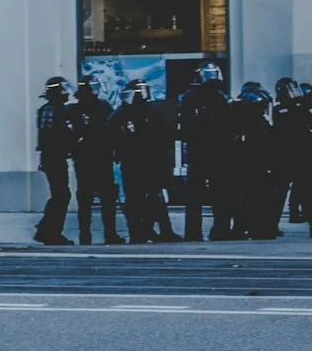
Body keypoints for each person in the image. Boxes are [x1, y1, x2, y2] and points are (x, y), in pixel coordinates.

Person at [111, 80, 175, 243]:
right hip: (135, 161)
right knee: (140, 198)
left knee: (151, 197)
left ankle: (150, 230)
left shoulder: (149, 112)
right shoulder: (125, 113)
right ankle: (141, 231)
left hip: (147, 161)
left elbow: (165, 137)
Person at [179, 62, 232, 243]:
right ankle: (216, 230)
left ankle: (199, 232)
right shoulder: (202, 97)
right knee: (215, 194)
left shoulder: (212, 97)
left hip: (207, 151)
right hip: (207, 151)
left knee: (207, 195)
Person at [70, 75, 123, 245]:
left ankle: (86, 235)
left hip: (89, 158)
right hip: (97, 157)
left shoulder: (75, 109)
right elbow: (112, 129)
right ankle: (107, 234)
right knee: (104, 199)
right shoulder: (99, 107)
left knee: (86, 200)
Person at [272, 78, 312, 238]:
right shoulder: (283, 110)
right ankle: (270, 225)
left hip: (299, 157)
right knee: (283, 193)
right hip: (288, 157)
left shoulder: (297, 109)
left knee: (307, 194)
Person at [229, 85, 279, 240]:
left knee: (250, 198)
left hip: (252, 167)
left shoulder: (246, 125)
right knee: (255, 198)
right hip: (254, 167)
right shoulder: (254, 126)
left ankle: (249, 227)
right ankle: (257, 227)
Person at [34, 76, 75, 245]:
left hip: (55, 156)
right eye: (63, 90)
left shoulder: (57, 110)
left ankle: (46, 229)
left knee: (60, 195)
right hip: (53, 157)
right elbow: (49, 136)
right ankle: (50, 231)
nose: (66, 94)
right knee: (61, 195)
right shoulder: (51, 110)